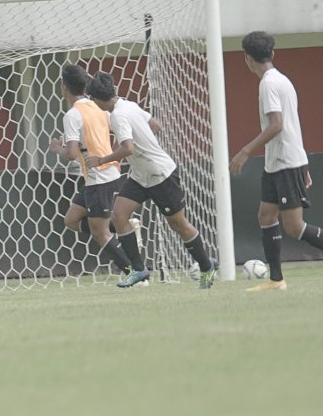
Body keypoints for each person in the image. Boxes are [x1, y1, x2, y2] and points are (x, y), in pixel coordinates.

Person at [85, 71, 217, 289]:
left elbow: (128, 148)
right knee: (119, 216)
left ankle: (206, 266)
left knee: (178, 224)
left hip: (160, 175)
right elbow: (155, 125)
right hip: (141, 175)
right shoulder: (130, 105)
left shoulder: (118, 115)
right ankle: (139, 270)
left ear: (97, 100)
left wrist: (101, 160)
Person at [230, 31, 323, 291]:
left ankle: (276, 279)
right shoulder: (281, 80)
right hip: (278, 163)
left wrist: (246, 151)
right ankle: (276, 280)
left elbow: (278, 124)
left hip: (286, 162)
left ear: (247, 58)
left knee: (294, 227)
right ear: (272, 53)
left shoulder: (269, 83)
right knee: (266, 215)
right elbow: (294, 124)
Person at [48, 64, 133, 284]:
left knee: (99, 233)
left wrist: (57, 147)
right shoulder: (97, 106)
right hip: (106, 172)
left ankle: (134, 273)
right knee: (71, 219)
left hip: (99, 177)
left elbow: (70, 153)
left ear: (63, 87)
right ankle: (123, 225)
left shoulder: (73, 114)